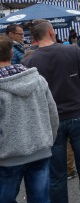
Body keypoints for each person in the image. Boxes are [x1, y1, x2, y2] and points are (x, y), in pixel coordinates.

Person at [21, 19, 80, 203]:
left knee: (57, 175)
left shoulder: (29, 61)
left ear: (33, 38)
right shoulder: (72, 50)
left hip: (50, 122)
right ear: (50, 32)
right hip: (78, 116)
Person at [0, 36, 59, 202]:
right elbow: (53, 114)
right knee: (40, 199)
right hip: (40, 149)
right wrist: (48, 139)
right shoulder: (39, 80)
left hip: (7, 156)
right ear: (12, 54)